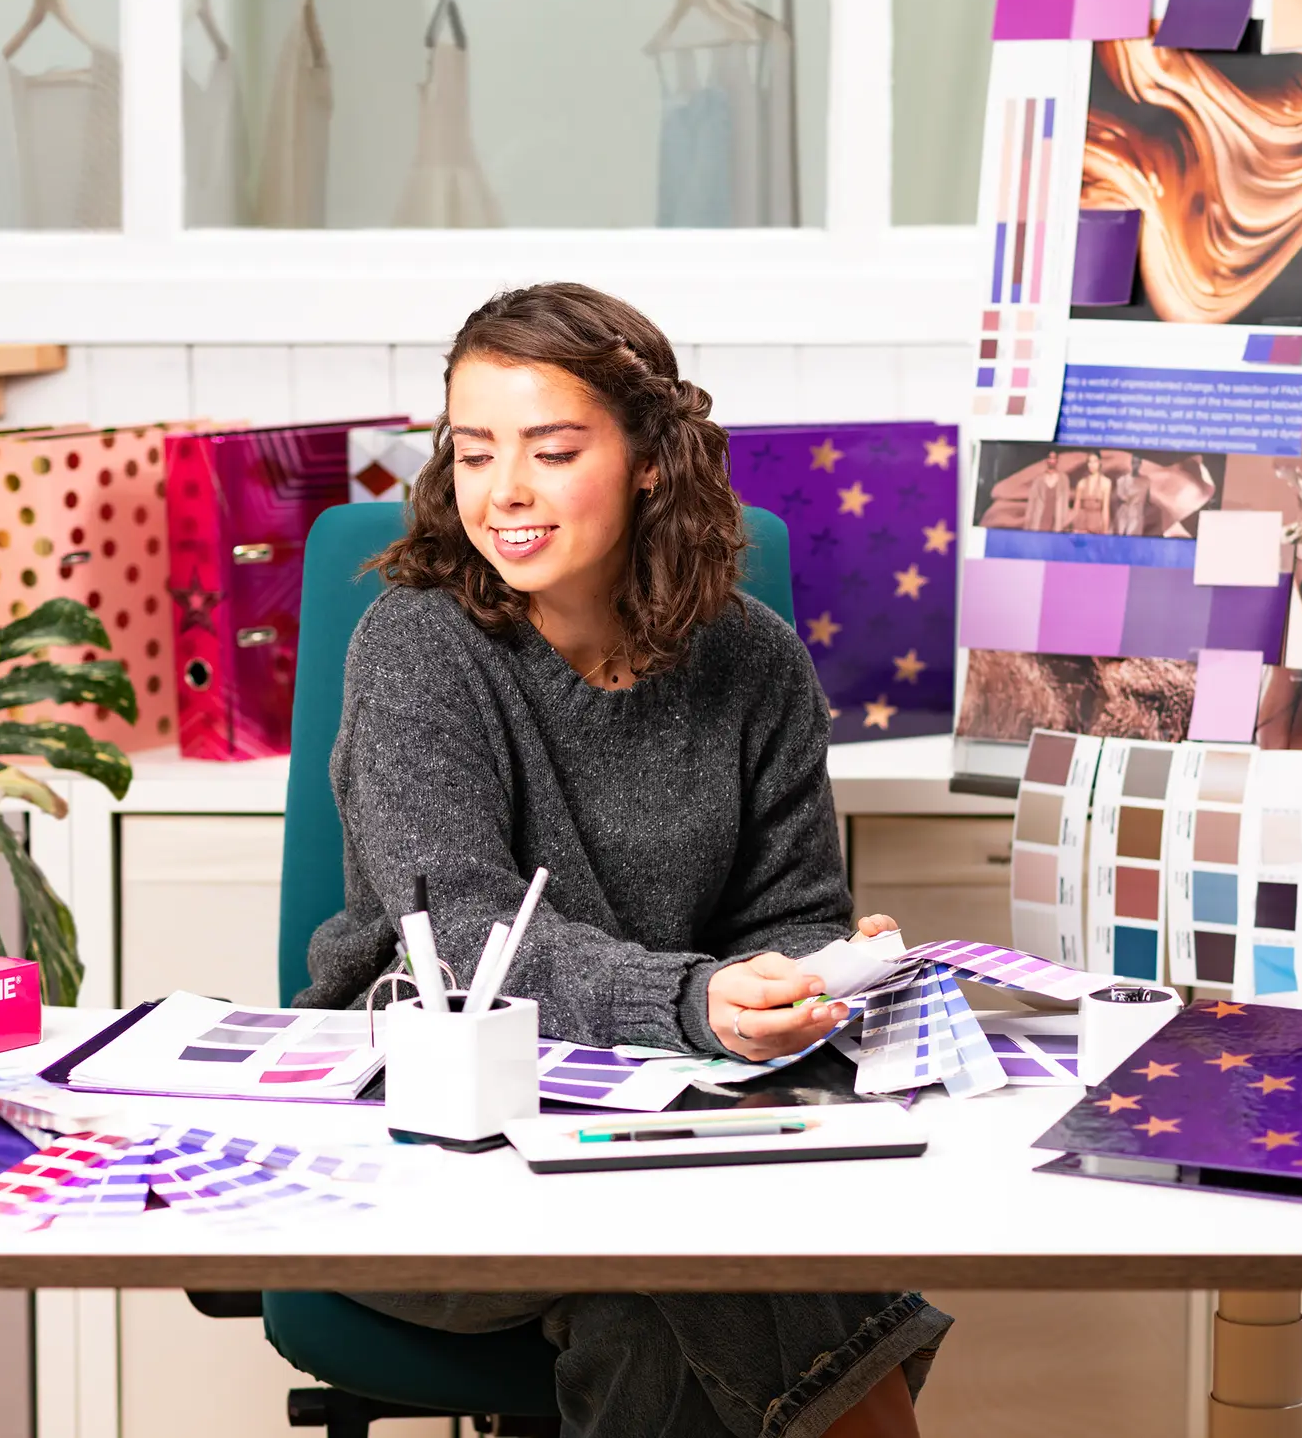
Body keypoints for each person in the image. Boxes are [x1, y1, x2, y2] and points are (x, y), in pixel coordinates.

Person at [299, 282, 951, 1437]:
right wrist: (694, 999)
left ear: (650, 460)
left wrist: (809, 976)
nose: (504, 491)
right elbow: (463, 941)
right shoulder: (415, 644)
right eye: (474, 451)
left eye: (552, 452)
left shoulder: (754, 661)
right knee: (700, 1265)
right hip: (424, 1121)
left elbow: (789, 911)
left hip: (666, 1118)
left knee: (662, 1290)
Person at [1022, 450, 1069, 531]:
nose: (1052, 460)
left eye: (1054, 458)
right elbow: (1032, 502)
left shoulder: (1063, 479)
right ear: (1046, 460)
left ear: (1057, 460)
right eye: (1050, 458)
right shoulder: (1038, 479)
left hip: (1056, 522)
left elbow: (1065, 502)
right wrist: (1028, 520)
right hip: (1039, 521)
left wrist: (1064, 522)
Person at [1070, 450, 1112, 534]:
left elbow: (1105, 509)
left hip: (1098, 525)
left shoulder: (1106, 482)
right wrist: (1075, 528)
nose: (1092, 465)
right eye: (1090, 462)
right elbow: (1076, 508)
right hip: (1082, 524)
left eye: (1094, 462)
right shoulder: (1081, 483)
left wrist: (1106, 530)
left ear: (1099, 462)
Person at [1113, 454, 1150, 536]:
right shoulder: (1122, 480)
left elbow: (1147, 501)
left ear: (1140, 464)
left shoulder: (1145, 481)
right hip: (1123, 516)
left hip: (1137, 517)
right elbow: (1117, 501)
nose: (1135, 465)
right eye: (1134, 462)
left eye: (1137, 463)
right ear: (1131, 463)